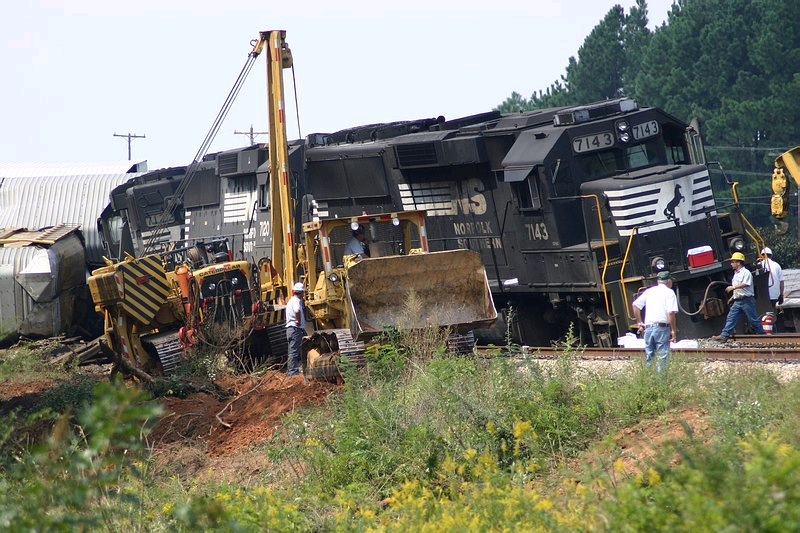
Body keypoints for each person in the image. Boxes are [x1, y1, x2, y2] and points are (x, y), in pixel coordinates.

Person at [631, 270, 679, 373]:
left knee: (650, 357)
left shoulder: (649, 291)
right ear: (668, 281)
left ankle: (649, 382)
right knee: (662, 357)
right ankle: (661, 385)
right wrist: (674, 331)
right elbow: (671, 313)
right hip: (661, 328)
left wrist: (640, 322)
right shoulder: (669, 292)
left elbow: (635, 305)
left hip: (648, 329)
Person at [712, 252, 765, 342]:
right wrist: (733, 297)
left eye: (733, 262)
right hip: (738, 301)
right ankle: (724, 335)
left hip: (747, 300)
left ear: (738, 263)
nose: (731, 264)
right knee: (731, 317)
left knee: (753, 320)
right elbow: (738, 288)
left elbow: (745, 284)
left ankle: (762, 335)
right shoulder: (736, 274)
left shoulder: (746, 272)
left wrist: (733, 287)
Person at [285, 281, 306, 376]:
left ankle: (293, 370)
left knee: (292, 351)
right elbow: (297, 310)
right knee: (294, 352)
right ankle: (293, 372)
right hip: (295, 329)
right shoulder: (296, 301)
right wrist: (298, 321)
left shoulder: (290, 301)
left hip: (290, 329)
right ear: (301, 293)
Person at [758, 247, 785, 313]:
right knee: (774, 311)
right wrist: (781, 295)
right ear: (771, 255)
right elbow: (781, 282)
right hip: (775, 295)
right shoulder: (777, 265)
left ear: (762, 255)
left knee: (766, 313)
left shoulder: (759, 265)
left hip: (763, 296)